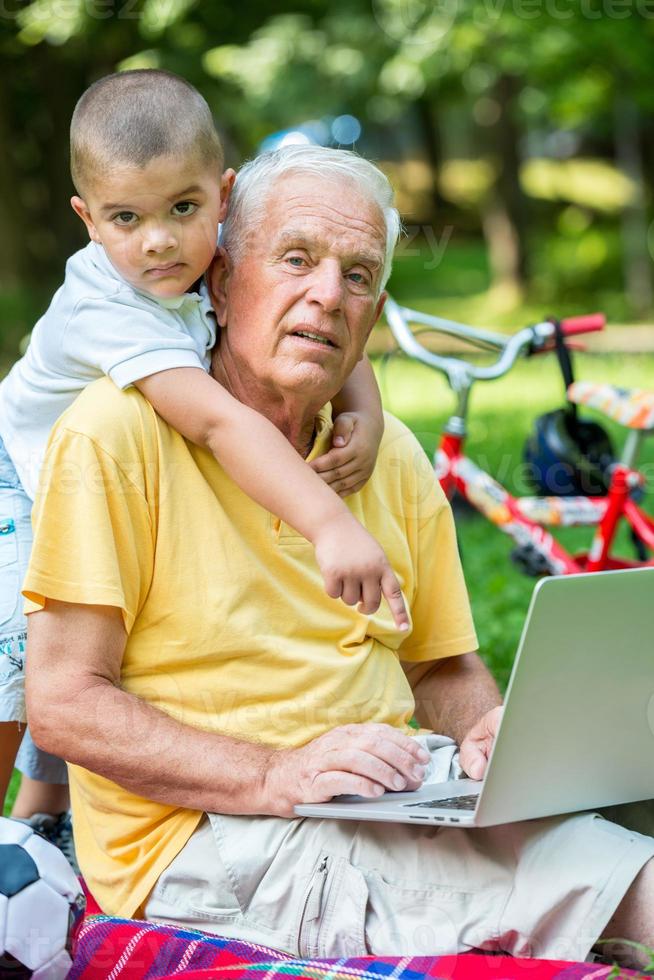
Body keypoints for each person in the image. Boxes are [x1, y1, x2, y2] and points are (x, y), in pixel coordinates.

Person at [24, 146, 654, 971]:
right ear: (220, 276)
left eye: (358, 277)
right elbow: (65, 704)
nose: (328, 295)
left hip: (395, 792)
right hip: (215, 836)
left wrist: (492, 735)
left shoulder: (386, 456)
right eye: (296, 260)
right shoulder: (117, 433)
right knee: (633, 885)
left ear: (375, 311)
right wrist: (274, 774)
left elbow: (441, 671)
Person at [0, 71, 408, 837]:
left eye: (182, 209)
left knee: (108, 651)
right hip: (17, 482)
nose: (159, 240)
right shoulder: (107, 307)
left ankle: (48, 826)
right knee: (26, 667)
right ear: (88, 220)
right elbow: (219, 425)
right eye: (127, 217)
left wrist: (366, 418)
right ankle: (19, 829)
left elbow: (331, 325)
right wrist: (330, 524)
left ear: (221, 196)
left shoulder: (213, 252)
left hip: (98, 480)